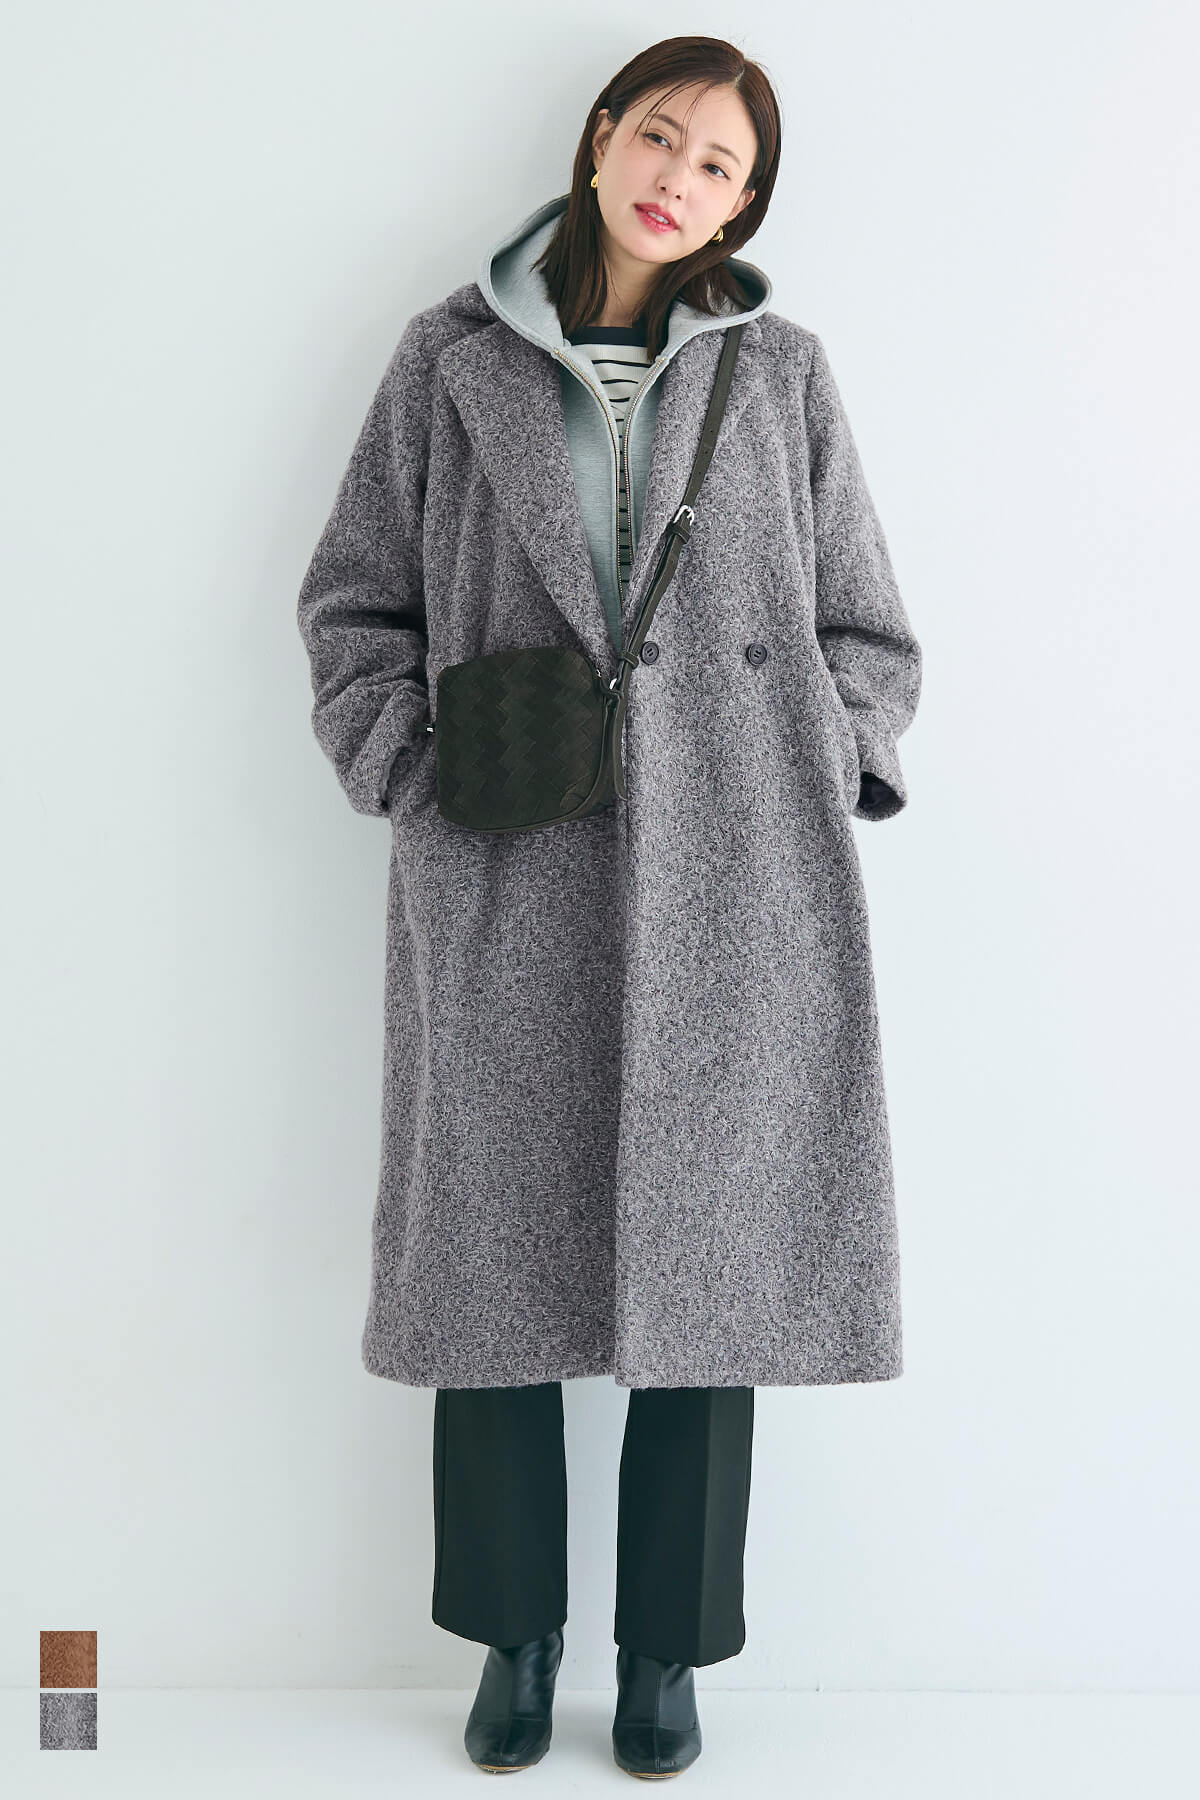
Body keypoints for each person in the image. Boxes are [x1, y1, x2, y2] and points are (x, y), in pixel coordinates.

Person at [296, 33, 921, 1782]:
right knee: (489, 1268)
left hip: (739, 875)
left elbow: (869, 627)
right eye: (663, 136)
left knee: (717, 1275)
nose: (679, 180)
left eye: (721, 167)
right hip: (507, 859)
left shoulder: (780, 375)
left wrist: (826, 757)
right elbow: (354, 605)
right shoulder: (447, 363)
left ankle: (666, 1657)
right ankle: (514, 1638)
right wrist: (403, 767)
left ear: (742, 207)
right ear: (600, 139)